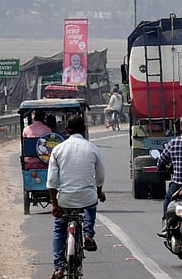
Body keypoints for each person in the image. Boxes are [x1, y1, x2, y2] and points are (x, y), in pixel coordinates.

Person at [47, 115, 105, 279]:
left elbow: (51, 181)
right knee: (92, 204)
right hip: (87, 197)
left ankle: (58, 267)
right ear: (85, 129)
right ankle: (88, 234)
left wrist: (54, 204)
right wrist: (99, 192)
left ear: (67, 130)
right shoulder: (92, 148)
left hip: (64, 199)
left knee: (59, 228)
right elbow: (100, 176)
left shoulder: (58, 149)